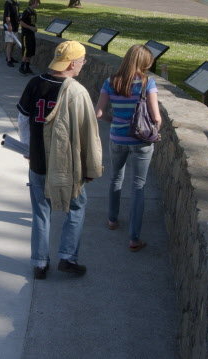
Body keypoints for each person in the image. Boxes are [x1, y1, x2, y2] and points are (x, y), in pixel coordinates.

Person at [17, 40, 102, 279]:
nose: (83, 65)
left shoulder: (35, 83)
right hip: (66, 165)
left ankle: (40, 263)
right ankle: (67, 256)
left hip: (38, 162)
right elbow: (88, 132)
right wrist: (90, 166)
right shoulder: (76, 91)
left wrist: (27, 147)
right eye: (83, 61)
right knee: (76, 205)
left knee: (41, 212)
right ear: (73, 63)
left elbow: (23, 118)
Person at [95, 44, 162, 252]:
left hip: (117, 138)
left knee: (116, 177)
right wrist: (153, 130)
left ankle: (112, 219)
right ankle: (134, 237)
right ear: (143, 63)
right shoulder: (147, 83)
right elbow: (156, 117)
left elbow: (98, 112)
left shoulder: (110, 82)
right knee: (138, 186)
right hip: (140, 140)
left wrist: (112, 120)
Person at [18, 0, 41, 74]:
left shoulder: (33, 12)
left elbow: (32, 23)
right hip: (26, 34)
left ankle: (27, 67)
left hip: (31, 34)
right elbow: (21, 22)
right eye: (37, 3)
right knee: (26, 51)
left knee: (31, 51)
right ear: (34, 2)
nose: (38, 5)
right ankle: (22, 67)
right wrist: (30, 27)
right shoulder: (26, 11)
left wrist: (34, 28)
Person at [3, 0, 22, 66]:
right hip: (9, 26)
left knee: (13, 43)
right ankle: (8, 59)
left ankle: (10, 56)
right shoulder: (8, 2)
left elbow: (17, 13)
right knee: (10, 43)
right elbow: (7, 15)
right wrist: (9, 25)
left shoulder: (16, 2)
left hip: (15, 25)